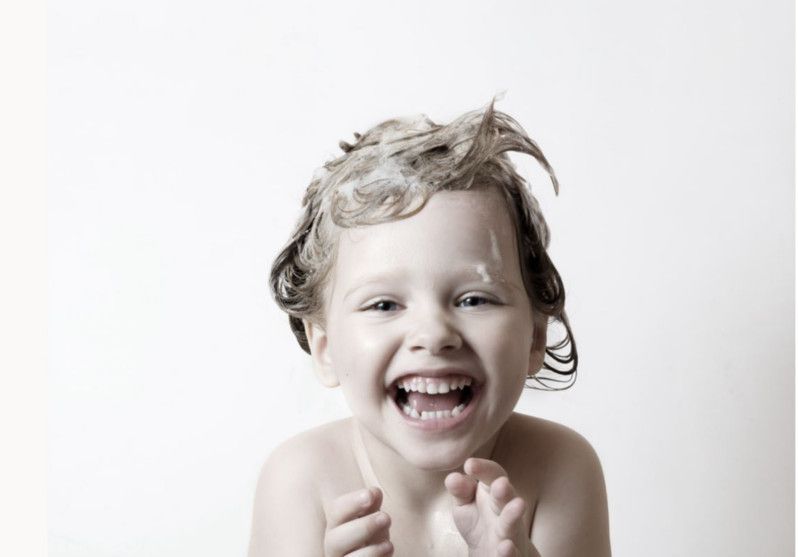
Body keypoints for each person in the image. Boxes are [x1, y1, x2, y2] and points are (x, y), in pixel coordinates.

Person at [249, 101, 610, 556]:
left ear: (536, 337)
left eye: (474, 299)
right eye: (383, 304)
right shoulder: (300, 481)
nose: (434, 333)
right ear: (324, 348)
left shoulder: (559, 469)